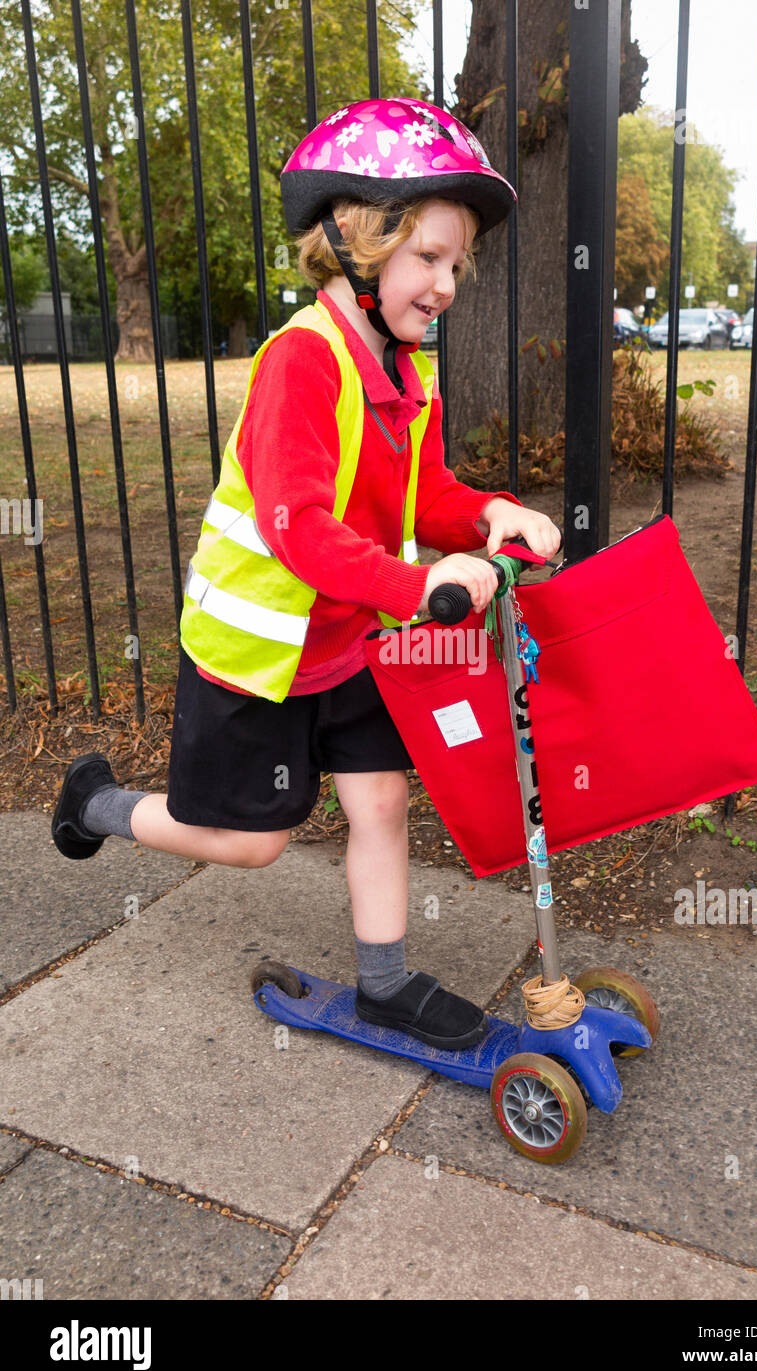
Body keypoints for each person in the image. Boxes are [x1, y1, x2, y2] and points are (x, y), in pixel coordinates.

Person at [52, 97, 562, 1051]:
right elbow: (297, 531)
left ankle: (384, 984)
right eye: (428, 256)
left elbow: (422, 495)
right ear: (355, 240)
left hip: (349, 637)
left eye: (456, 263)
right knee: (255, 841)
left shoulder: (409, 375)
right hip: (259, 650)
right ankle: (96, 805)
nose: (447, 282)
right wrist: (420, 591)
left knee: (379, 800)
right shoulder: (302, 360)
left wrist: (488, 513)